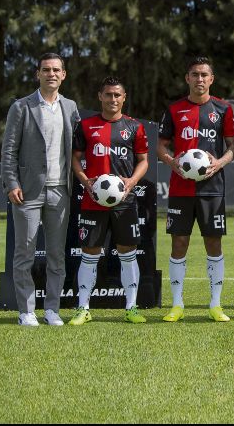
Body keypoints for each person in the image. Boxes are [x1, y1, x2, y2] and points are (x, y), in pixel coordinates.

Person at [1, 53, 81, 327]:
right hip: (27, 192)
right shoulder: (21, 107)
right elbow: (9, 150)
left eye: (56, 70)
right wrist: (12, 183)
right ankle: (26, 311)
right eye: (46, 69)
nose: (51, 74)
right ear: (38, 74)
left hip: (60, 191)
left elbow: (77, 149)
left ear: (63, 75)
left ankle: (52, 310)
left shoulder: (70, 107)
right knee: (24, 253)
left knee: (57, 255)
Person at [158, 57, 234, 322]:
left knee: (213, 243)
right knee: (179, 243)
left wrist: (219, 163)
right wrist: (172, 162)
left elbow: (232, 147)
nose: (199, 79)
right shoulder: (174, 109)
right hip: (181, 188)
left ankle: (215, 305)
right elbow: (160, 146)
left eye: (204, 75)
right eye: (195, 74)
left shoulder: (223, 109)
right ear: (187, 78)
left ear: (211, 79)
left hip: (212, 189)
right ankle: (177, 305)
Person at [69, 76, 149, 325]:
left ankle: (132, 307)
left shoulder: (134, 127)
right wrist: (86, 181)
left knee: (128, 252)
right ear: (100, 96)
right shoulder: (85, 125)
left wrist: (131, 182)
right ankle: (83, 308)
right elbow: (75, 158)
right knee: (89, 252)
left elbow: (143, 161)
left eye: (117, 95)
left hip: (124, 201)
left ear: (124, 98)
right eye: (108, 94)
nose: (112, 99)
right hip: (93, 200)